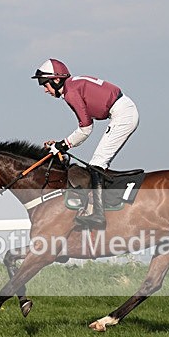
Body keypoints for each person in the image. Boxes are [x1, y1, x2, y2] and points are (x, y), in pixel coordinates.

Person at [31, 58, 139, 229]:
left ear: (56, 80)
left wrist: (63, 145)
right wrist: (62, 144)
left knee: (97, 164)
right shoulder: (72, 86)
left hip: (123, 114)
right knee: (98, 163)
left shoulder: (71, 93)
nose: (45, 90)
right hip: (122, 111)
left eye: (45, 84)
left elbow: (86, 128)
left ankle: (98, 214)